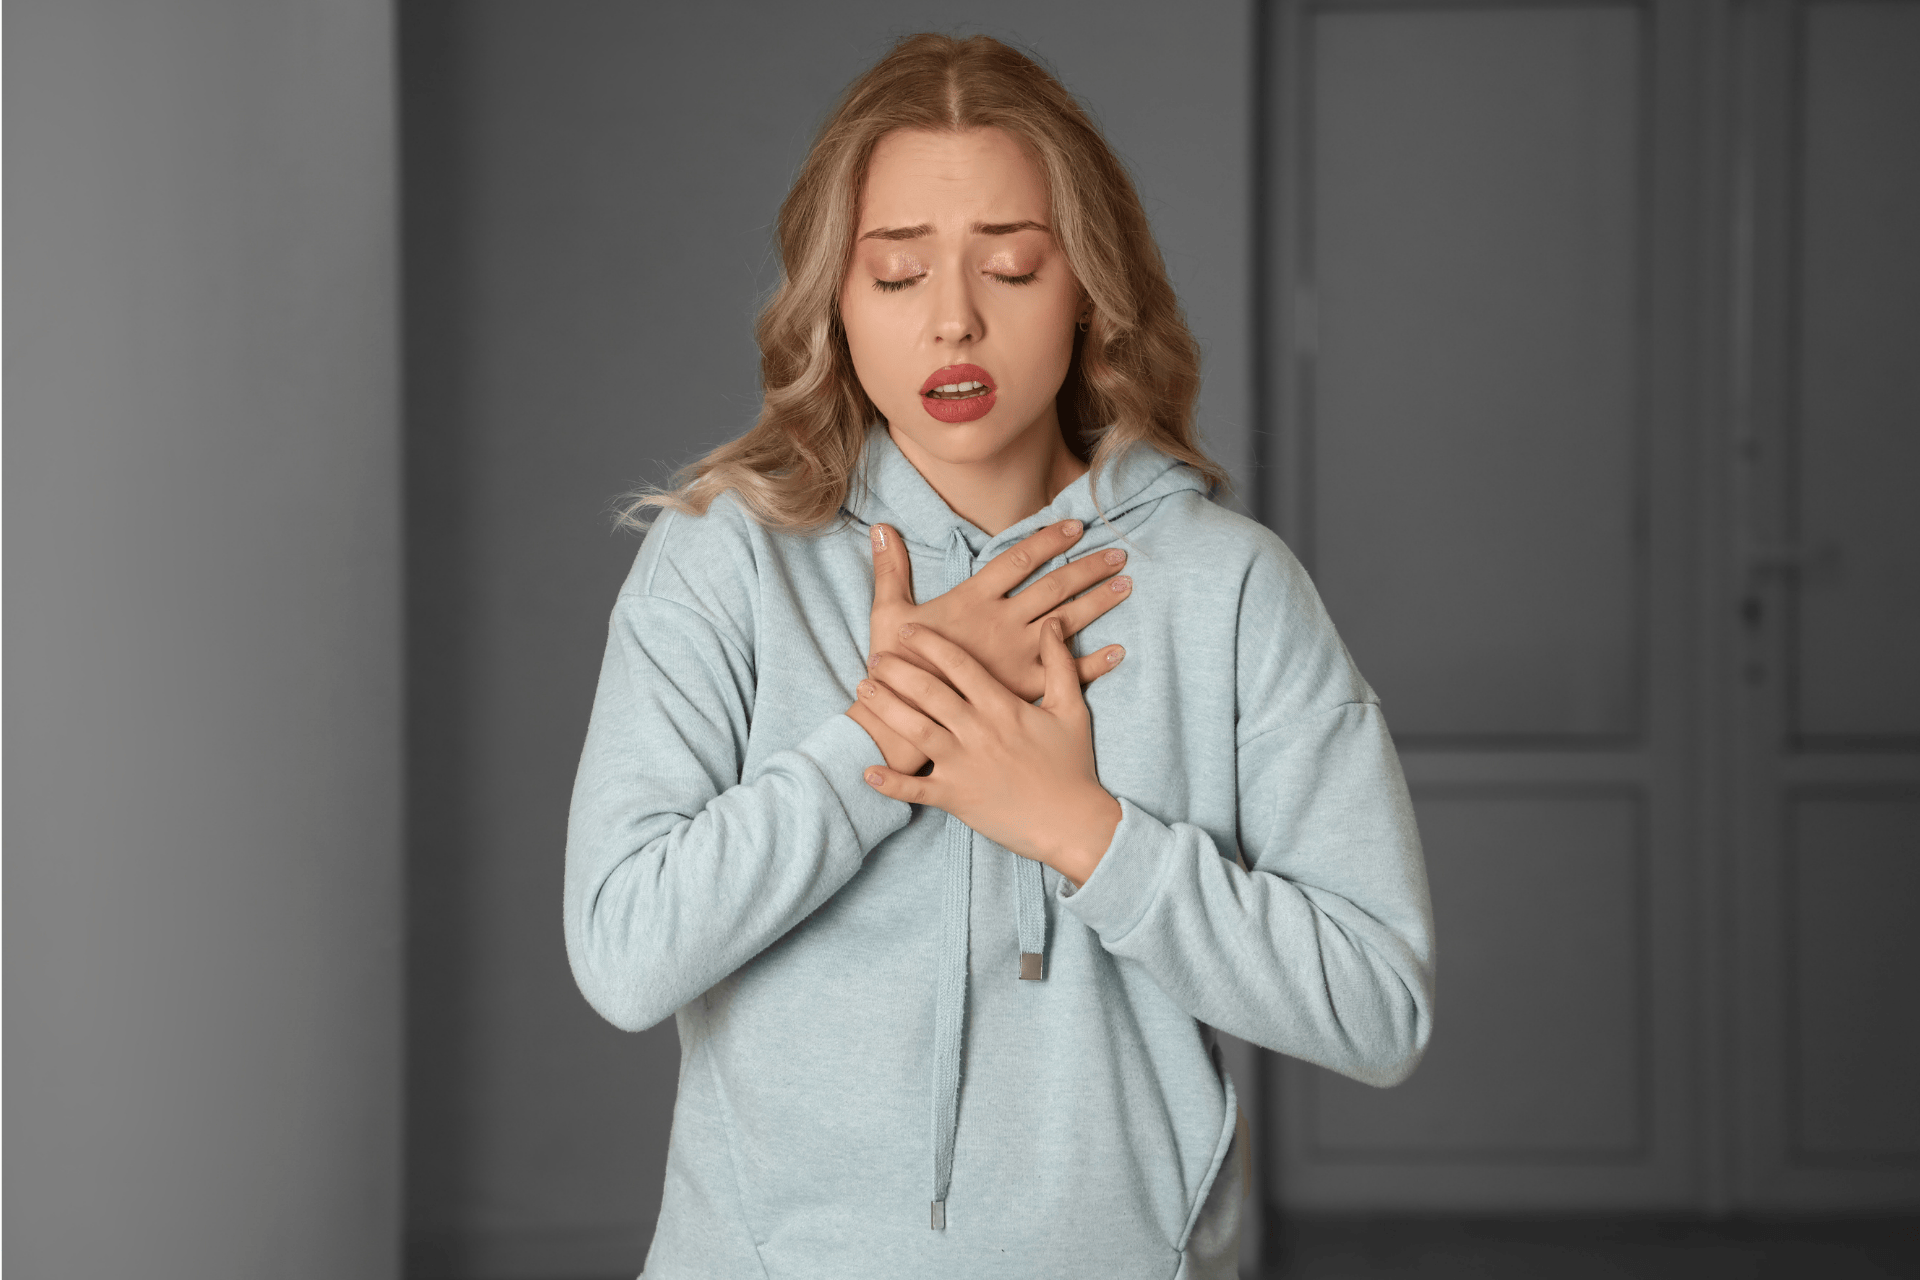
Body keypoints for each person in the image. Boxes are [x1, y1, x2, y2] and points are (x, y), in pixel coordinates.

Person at [563, 32, 1434, 1280]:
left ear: (1087, 282)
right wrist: (888, 733)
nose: (955, 319)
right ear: (836, 300)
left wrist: (1083, 829)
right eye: (899, 274)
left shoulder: (1227, 588)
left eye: (1013, 267)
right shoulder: (726, 560)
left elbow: (1376, 1003)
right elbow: (624, 950)